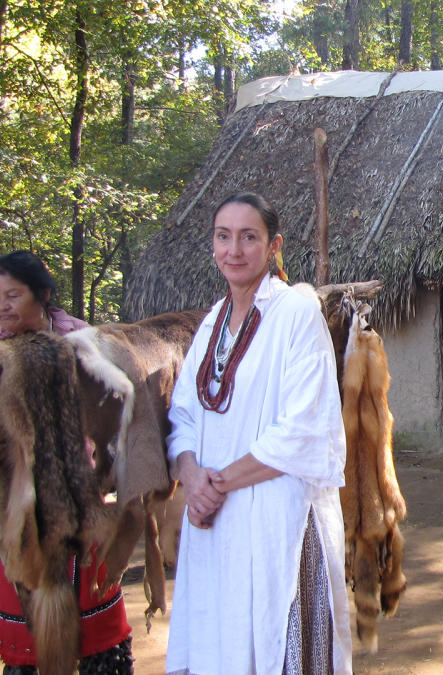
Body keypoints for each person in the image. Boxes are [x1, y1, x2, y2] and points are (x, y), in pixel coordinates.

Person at [164, 192, 353, 674]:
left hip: (276, 514)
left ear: (273, 247)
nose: (234, 250)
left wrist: (214, 485)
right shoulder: (212, 323)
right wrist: (191, 474)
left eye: (249, 237)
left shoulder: (296, 311)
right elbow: (183, 411)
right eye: (223, 237)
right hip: (215, 522)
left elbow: (304, 427)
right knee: (221, 640)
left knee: (277, 642)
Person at [0, 250, 133, 674]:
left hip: (77, 499)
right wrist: (7, 455)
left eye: (12, 296)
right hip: (11, 506)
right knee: (25, 639)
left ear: (43, 295)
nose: (1, 307)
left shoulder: (81, 339)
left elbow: (108, 406)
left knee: (95, 635)